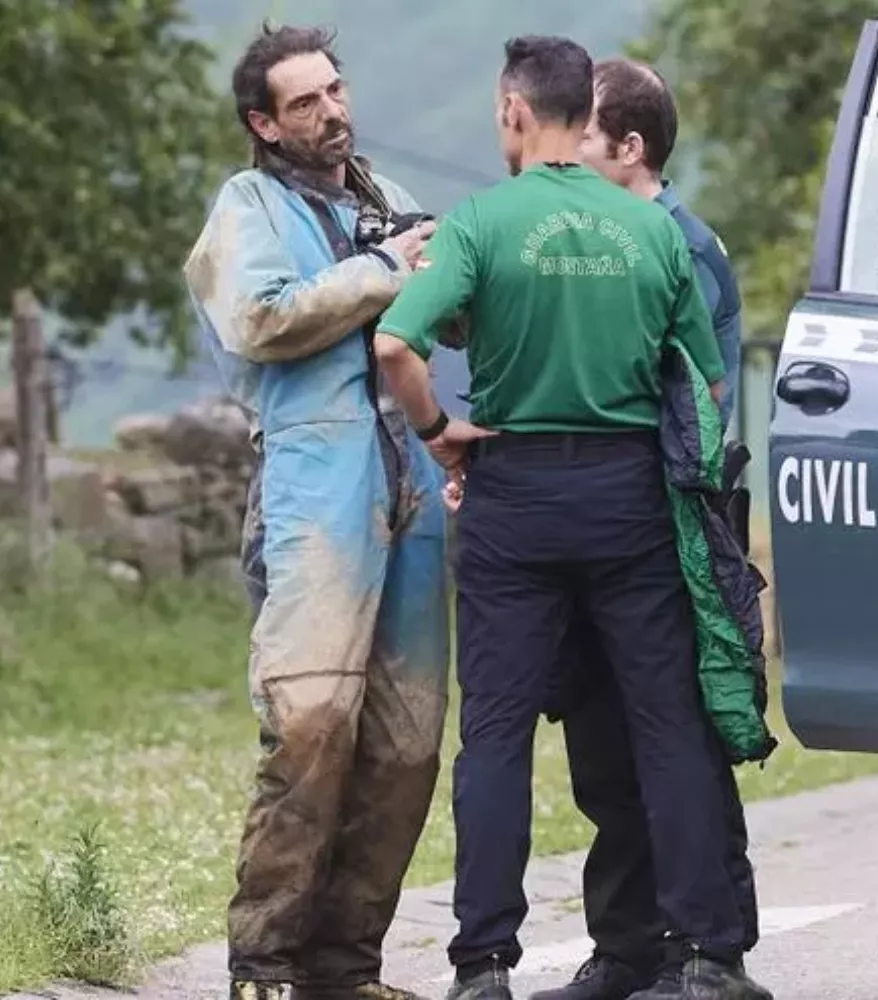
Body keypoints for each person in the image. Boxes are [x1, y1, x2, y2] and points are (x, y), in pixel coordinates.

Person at [371, 35, 765, 1000]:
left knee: (497, 733)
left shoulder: (478, 225)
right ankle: (710, 956)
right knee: (667, 725)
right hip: (631, 498)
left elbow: (394, 346)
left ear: (514, 111)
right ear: (580, 117)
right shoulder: (654, 231)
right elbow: (704, 382)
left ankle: (482, 967)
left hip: (513, 496)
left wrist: (439, 433)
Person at [181, 22, 450, 1000]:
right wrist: (389, 272)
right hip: (311, 478)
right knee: (311, 723)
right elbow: (259, 318)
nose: (332, 111)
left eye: (335, 91)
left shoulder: (393, 200)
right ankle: (265, 962)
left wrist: (459, 269)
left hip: (410, 483)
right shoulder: (244, 205)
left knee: (407, 740)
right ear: (265, 121)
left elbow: (453, 303)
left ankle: (346, 969)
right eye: (306, 102)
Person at [532, 57, 767, 1000]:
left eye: (581, 134)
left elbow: (695, 397)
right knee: (600, 744)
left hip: (667, 525)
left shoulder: (684, 246)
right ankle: (628, 946)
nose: (564, 150)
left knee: (682, 741)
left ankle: (713, 952)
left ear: (630, 148)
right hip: (585, 524)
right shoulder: (577, 239)